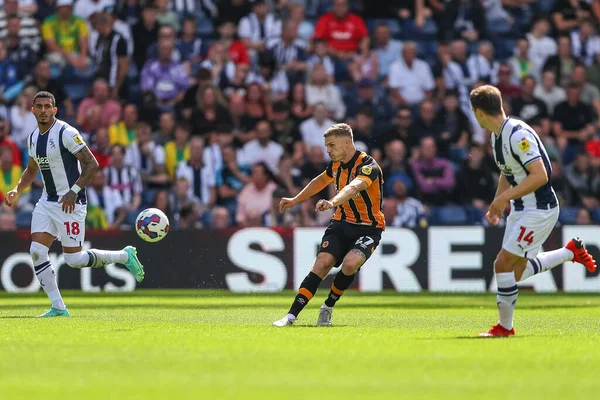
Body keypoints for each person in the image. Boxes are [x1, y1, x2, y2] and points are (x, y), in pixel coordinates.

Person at [469, 85, 597, 337]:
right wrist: (499, 201)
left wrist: (504, 198)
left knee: (502, 265)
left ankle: (505, 328)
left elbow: (540, 175)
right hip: (521, 208)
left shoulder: (517, 135)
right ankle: (569, 252)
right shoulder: (497, 136)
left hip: (539, 209)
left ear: (479, 112)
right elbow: (507, 173)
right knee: (514, 272)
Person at [3, 91, 145, 318]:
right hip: (47, 201)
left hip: (71, 203)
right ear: (32, 110)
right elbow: (31, 169)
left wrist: (74, 191)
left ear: (54, 110)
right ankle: (58, 307)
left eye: (47, 106)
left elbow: (92, 164)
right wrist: (17, 189)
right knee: (37, 251)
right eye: (38, 106)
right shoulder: (32, 138)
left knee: (74, 259)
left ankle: (124, 256)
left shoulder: (66, 133)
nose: (43, 110)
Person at [273, 123, 385, 327]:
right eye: (327, 146)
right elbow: (319, 181)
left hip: (368, 227)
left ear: (347, 142)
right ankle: (290, 316)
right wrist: (295, 199)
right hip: (341, 223)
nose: (328, 150)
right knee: (321, 263)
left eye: (332, 145)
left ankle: (328, 306)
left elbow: (353, 187)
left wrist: (332, 202)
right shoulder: (335, 165)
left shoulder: (368, 166)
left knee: (351, 264)